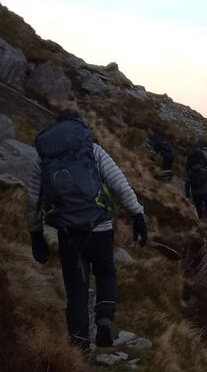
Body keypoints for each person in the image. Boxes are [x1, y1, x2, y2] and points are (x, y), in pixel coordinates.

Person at [26, 111, 148, 353]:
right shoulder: (91, 149)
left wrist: (35, 233)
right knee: (105, 272)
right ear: (79, 126)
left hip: (68, 231)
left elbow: (33, 199)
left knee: (76, 288)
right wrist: (137, 214)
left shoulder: (45, 157)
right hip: (99, 226)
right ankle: (104, 320)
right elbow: (119, 183)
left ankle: (79, 348)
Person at [184, 148, 207, 221]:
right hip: (205, 190)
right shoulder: (204, 171)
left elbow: (187, 183)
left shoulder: (190, 171)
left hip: (195, 192)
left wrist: (187, 193)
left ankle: (200, 219)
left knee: (198, 206)